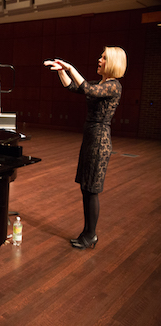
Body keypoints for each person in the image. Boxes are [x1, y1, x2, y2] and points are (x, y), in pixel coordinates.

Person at [44, 47, 127, 249]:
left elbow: (87, 90)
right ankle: (87, 232)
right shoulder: (101, 84)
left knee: (91, 190)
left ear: (113, 62)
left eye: (104, 58)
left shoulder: (114, 86)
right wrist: (61, 71)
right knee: (85, 188)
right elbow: (74, 87)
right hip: (91, 139)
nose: (99, 60)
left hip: (99, 141)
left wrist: (71, 67)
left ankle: (90, 235)